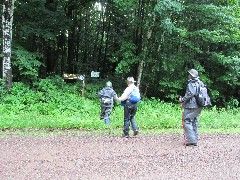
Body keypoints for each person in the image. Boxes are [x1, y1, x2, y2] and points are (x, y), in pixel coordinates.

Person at [179, 69, 203, 146]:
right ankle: (194, 138)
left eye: (189, 74)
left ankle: (191, 140)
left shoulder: (191, 83)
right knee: (194, 121)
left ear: (192, 75)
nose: (188, 75)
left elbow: (191, 93)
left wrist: (183, 99)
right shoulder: (200, 83)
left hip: (191, 105)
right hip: (199, 105)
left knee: (187, 120)